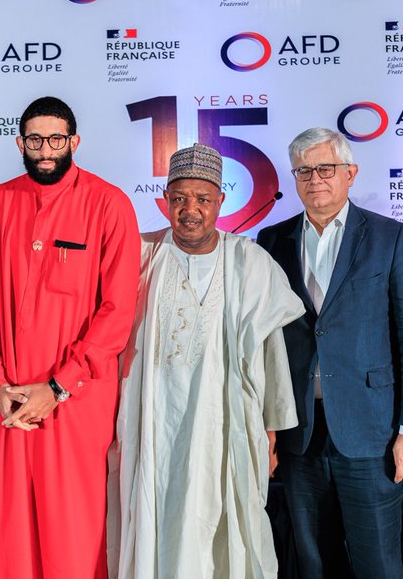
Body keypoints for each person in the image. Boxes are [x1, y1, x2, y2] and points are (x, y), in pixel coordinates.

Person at [109, 144, 304, 578]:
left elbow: (273, 358)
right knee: (153, 519)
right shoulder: (138, 256)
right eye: (179, 199)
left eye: (201, 199)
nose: (190, 210)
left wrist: (270, 434)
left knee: (223, 530)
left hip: (224, 427)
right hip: (150, 426)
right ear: (165, 201)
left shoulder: (250, 262)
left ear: (220, 201)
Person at [256, 128, 403, 578]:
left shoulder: (390, 237)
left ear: (350, 173)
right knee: (314, 564)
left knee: (377, 564)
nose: (315, 179)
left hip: (372, 433)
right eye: (303, 171)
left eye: (325, 168)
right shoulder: (270, 241)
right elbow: (263, 343)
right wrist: (266, 427)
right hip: (299, 435)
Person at [0, 96, 140, 579]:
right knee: (9, 537)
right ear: (20, 143)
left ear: (74, 141)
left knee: (73, 535)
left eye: (55, 139)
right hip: (9, 402)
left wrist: (56, 388)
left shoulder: (109, 203)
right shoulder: (0, 201)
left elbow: (117, 313)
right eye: (34, 140)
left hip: (75, 402)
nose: (45, 150)